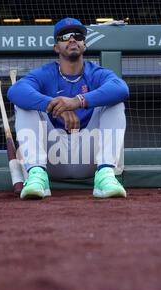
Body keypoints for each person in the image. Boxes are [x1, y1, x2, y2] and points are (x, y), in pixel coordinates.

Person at [7, 17, 129, 200]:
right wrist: (57, 106)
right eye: (65, 36)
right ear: (56, 47)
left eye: (77, 35)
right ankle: (37, 176)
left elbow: (121, 89)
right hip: (52, 154)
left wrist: (77, 101)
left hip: (89, 155)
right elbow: (16, 91)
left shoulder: (96, 73)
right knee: (25, 105)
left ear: (84, 44)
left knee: (115, 103)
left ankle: (105, 176)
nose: (72, 39)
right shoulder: (46, 73)